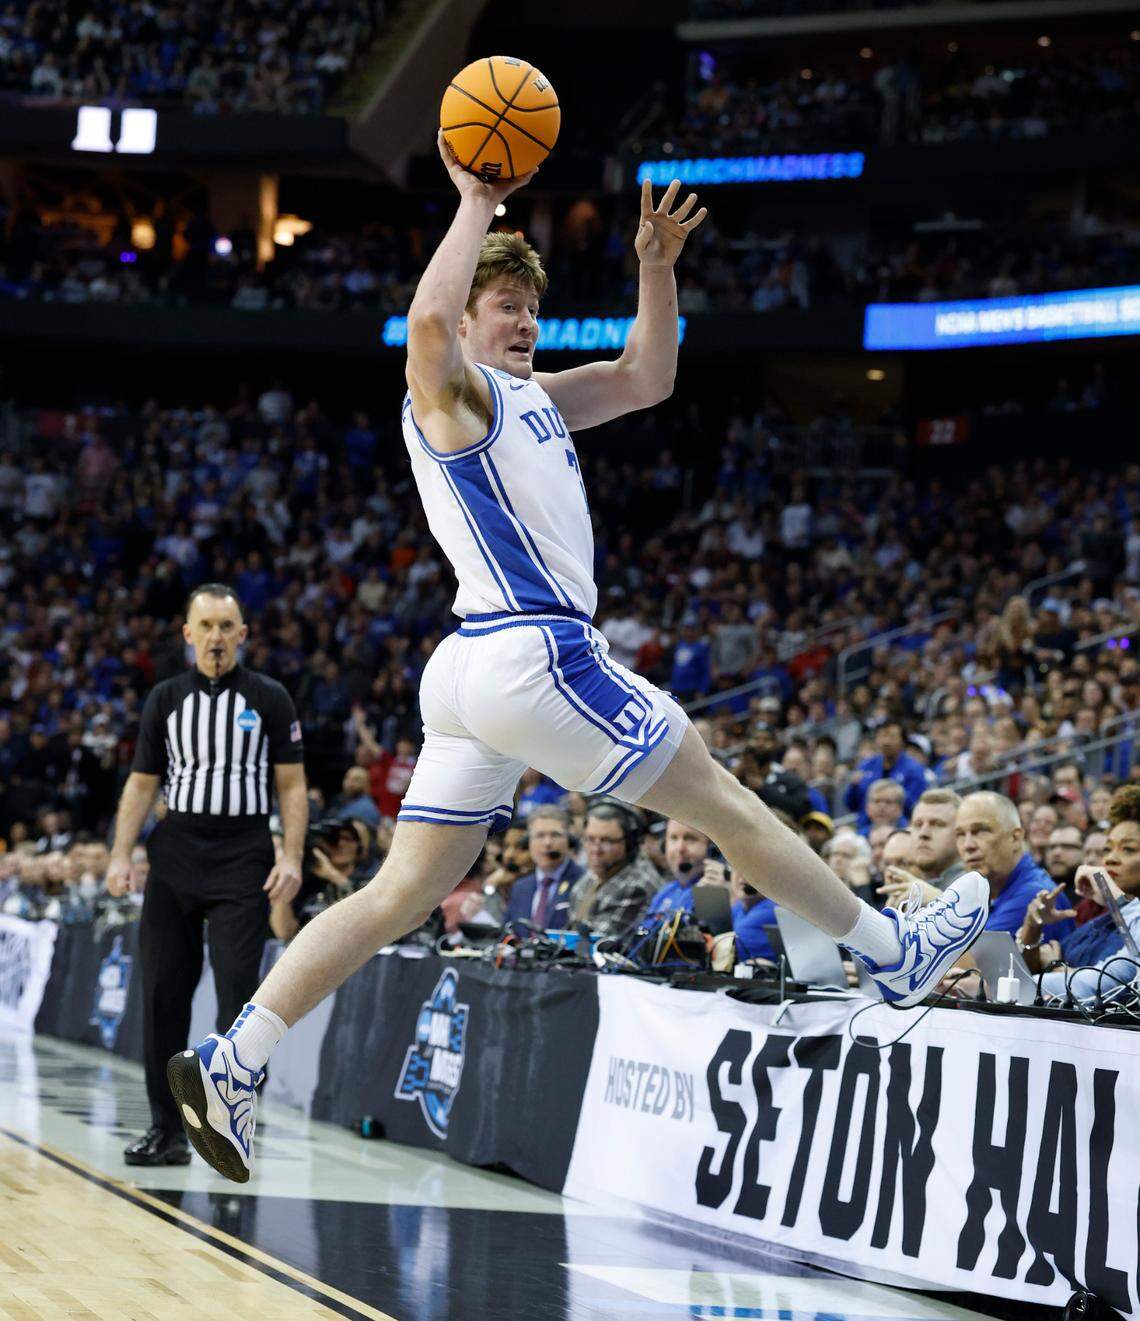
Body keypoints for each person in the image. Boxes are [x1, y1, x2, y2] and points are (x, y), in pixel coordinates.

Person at [169, 136, 988, 1185]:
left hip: (474, 669)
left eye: (527, 305)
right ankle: (889, 946)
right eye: (502, 304)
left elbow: (650, 376)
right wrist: (475, 200)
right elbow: (425, 326)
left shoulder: (539, 398)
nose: (521, 319)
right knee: (723, 797)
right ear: (470, 319)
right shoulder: (452, 394)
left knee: (397, 894)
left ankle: (238, 1057)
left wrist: (655, 264)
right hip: (529, 648)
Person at [109, 583, 307, 1167]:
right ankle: (166, 1129)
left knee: (240, 996)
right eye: (207, 626)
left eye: (228, 626)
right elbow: (143, 782)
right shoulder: (164, 698)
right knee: (163, 991)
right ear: (187, 633)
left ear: (243, 635)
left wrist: (290, 856)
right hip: (175, 852)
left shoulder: (270, 698)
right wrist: (121, 852)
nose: (217, 636)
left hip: (243, 851)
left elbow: (292, 785)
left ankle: (232, 1126)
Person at [1023, 785, 1140, 999]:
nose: (1110, 859)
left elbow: (1114, 983)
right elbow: (1034, 969)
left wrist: (1056, 969)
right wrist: (1032, 926)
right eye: (1109, 848)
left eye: (1129, 849)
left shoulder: (1127, 917)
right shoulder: (1099, 921)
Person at [955, 791, 1073, 943]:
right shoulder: (987, 891)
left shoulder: (1035, 894)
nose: (968, 845)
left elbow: (969, 960)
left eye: (981, 831)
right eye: (960, 834)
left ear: (1015, 837)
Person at [569, 802, 662, 937]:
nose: (596, 850)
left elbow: (593, 946)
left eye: (607, 841)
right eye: (590, 839)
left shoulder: (636, 887)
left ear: (630, 842)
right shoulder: (589, 878)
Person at [877, 788, 964, 908]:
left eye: (937, 824)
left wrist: (939, 902)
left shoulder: (978, 886)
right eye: (918, 824)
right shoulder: (908, 894)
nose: (923, 833)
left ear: (960, 834)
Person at [502, 804, 582, 930]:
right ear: (528, 842)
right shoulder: (520, 887)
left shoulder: (584, 882)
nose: (547, 843)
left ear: (569, 840)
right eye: (540, 835)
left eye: (555, 835)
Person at [844, 719, 927, 831]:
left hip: (901, 827)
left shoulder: (914, 769)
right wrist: (853, 788)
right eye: (882, 736)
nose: (886, 742)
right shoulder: (865, 766)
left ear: (902, 741)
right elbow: (851, 804)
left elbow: (916, 805)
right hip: (865, 828)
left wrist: (889, 799)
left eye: (892, 737)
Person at [645, 818, 727, 918]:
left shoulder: (715, 891)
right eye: (674, 838)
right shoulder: (664, 893)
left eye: (690, 839)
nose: (680, 848)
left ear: (713, 848)